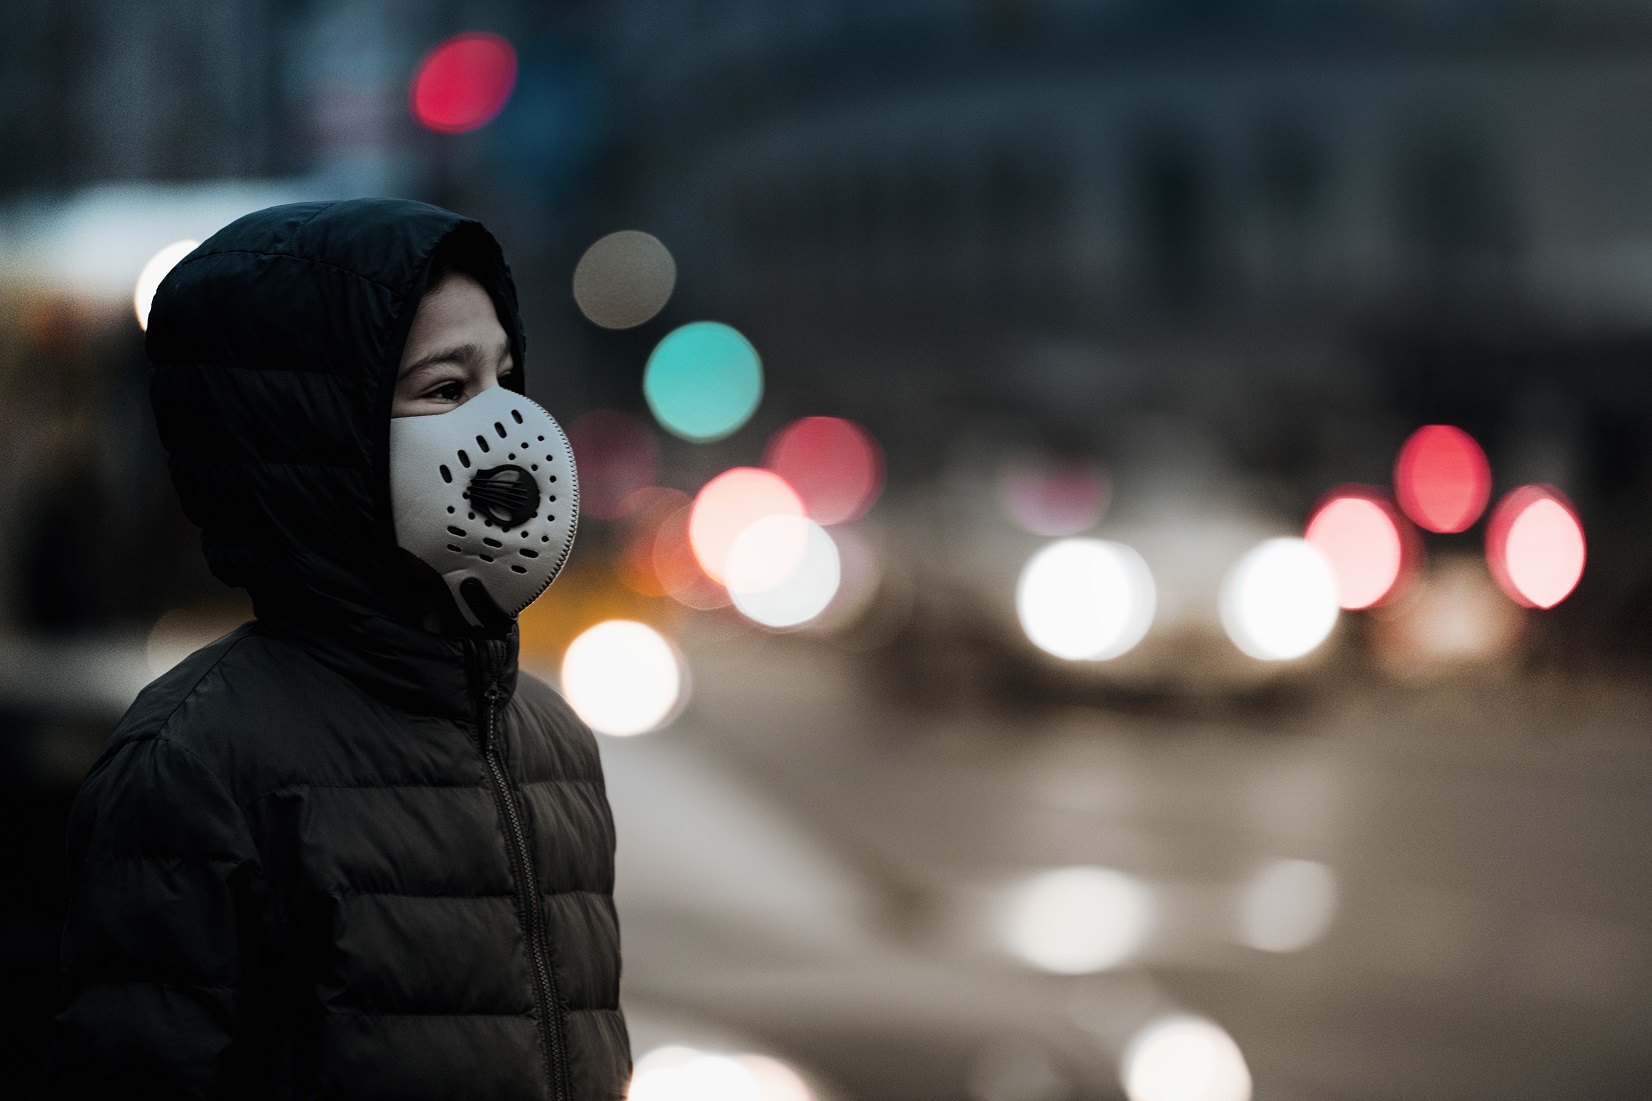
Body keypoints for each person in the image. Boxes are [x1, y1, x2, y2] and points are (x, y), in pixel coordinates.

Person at [41, 199, 628, 1099]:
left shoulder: (551, 741)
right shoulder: (195, 766)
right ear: (319, 436)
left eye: (506, 378)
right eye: (444, 388)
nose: (510, 428)